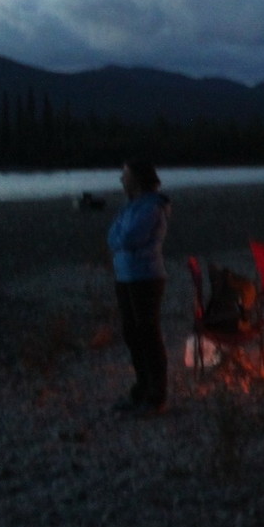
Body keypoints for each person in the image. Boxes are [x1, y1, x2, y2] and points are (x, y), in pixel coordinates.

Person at [108, 159, 171, 415]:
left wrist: (120, 237)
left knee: (147, 334)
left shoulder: (151, 208)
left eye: (125, 174)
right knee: (133, 335)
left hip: (145, 277)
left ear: (137, 178)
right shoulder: (130, 207)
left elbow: (128, 238)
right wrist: (120, 237)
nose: (121, 179)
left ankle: (156, 397)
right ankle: (141, 390)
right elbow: (113, 237)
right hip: (125, 276)